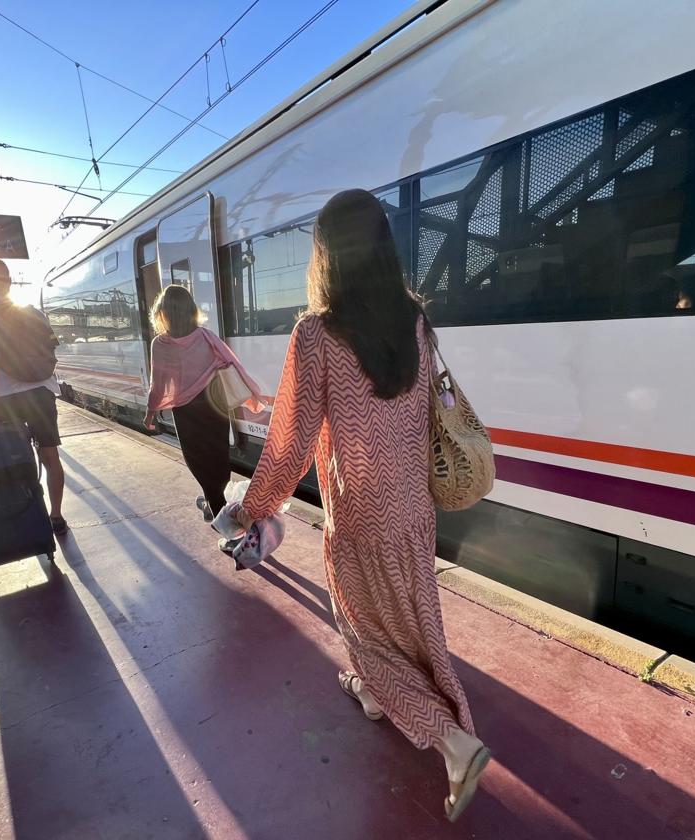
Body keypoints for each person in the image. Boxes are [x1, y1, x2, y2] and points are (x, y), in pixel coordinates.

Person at [230, 189, 490, 821]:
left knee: (365, 632)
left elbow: (292, 439)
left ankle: (455, 743)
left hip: (360, 517)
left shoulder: (317, 333)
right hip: (414, 509)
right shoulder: (416, 319)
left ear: (325, 256)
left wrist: (251, 507)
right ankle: (378, 697)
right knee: (416, 629)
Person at [142, 284, 263, 523]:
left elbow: (158, 385)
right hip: (216, 404)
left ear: (163, 313)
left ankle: (223, 519)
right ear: (191, 310)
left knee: (198, 462)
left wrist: (150, 413)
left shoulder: (161, 344)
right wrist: (249, 393)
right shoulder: (206, 336)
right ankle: (217, 504)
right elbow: (231, 364)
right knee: (218, 457)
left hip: (186, 410)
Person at [0, 257, 68, 535]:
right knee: (50, 456)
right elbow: (52, 351)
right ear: (9, 281)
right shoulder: (34, 312)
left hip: (6, 396)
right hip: (42, 391)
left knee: (14, 461)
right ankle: (56, 516)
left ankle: (27, 515)